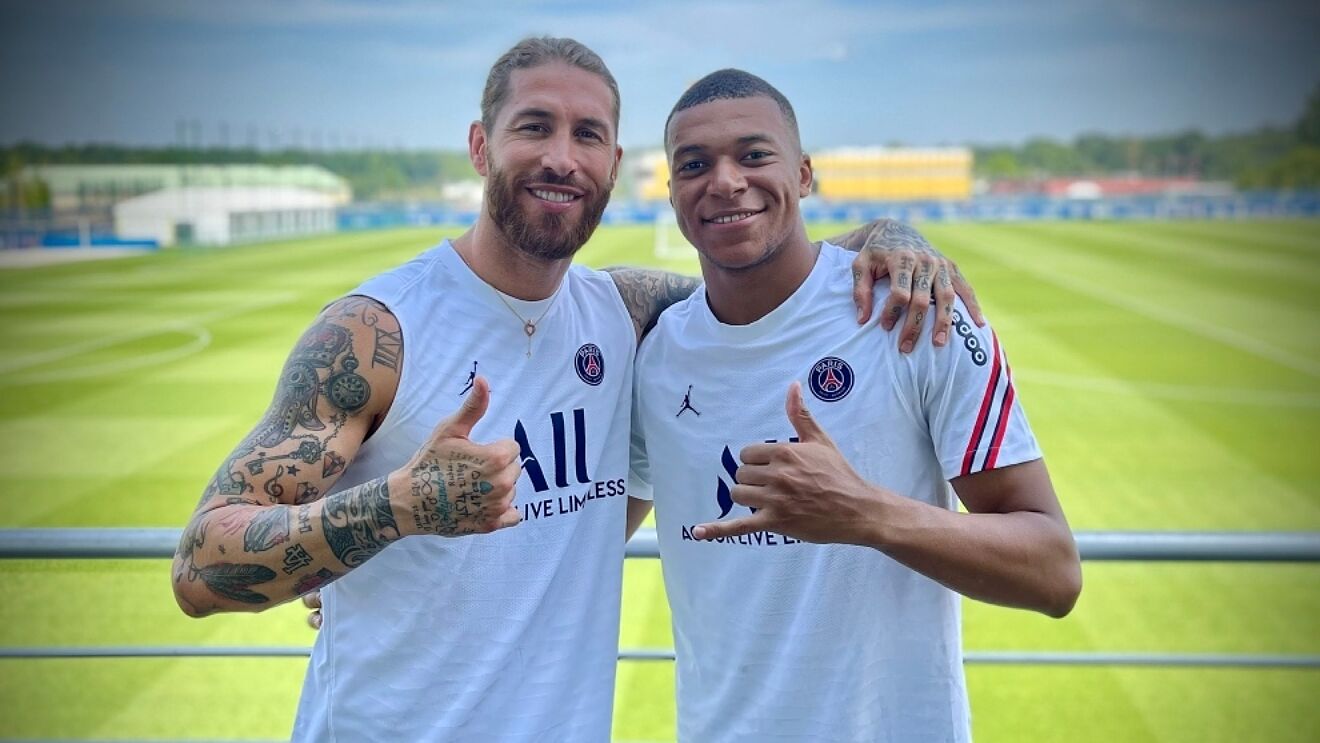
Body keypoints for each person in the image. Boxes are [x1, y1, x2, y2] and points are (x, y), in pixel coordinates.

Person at [172, 38, 976, 741]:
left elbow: (769, 275)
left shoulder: (625, 315)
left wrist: (889, 237)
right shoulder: (375, 332)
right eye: (534, 127)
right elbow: (199, 566)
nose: (562, 157)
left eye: (587, 134)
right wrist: (393, 509)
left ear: (613, 166)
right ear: (481, 146)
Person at [628, 69, 1082, 742]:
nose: (724, 181)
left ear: (804, 173)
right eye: (694, 165)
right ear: (670, 192)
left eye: (754, 155)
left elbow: (1054, 571)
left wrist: (865, 514)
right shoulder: (654, 355)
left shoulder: (918, 313)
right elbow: (579, 534)